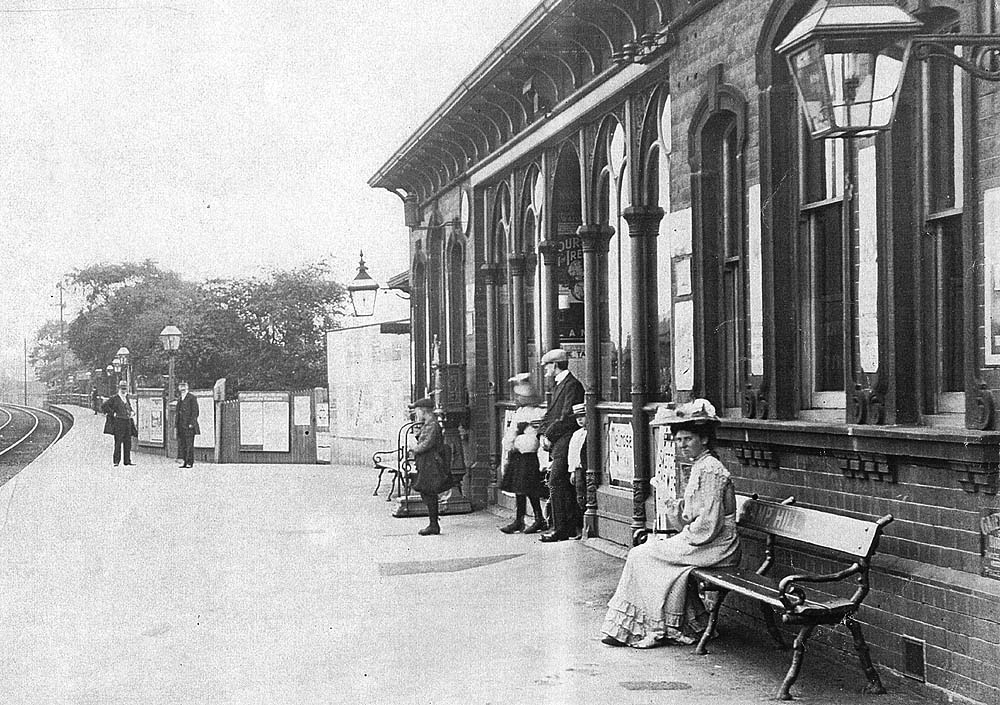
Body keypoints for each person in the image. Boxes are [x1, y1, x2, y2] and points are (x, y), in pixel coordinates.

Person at [600, 398, 740, 648]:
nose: (682, 445)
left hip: (717, 546)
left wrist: (683, 535)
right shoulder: (700, 466)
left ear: (704, 439)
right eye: (678, 440)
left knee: (641, 555)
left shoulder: (710, 469)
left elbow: (709, 525)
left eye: (688, 439)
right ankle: (662, 623)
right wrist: (676, 509)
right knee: (647, 555)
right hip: (705, 541)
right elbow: (696, 516)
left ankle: (648, 626)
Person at [536, 347, 585, 543]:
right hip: (558, 441)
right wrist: (542, 434)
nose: (545, 370)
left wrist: (548, 435)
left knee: (556, 481)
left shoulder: (572, 385)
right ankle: (565, 526)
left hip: (566, 440)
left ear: (555, 365)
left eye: (547, 366)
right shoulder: (559, 385)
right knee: (559, 483)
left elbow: (566, 417)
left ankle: (561, 529)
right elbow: (550, 414)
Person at [498, 373, 547, 534]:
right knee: (521, 488)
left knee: (528, 488)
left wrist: (510, 443)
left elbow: (516, 433)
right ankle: (520, 519)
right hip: (521, 453)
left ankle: (537, 518)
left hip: (527, 454)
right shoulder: (524, 412)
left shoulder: (533, 413)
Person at [408, 397, 452, 536]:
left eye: (417, 411)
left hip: (430, 462)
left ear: (423, 411)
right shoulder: (428, 424)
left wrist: (413, 448)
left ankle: (434, 524)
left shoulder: (432, 424)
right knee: (426, 491)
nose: (416, 414)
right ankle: (433, 523)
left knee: (429, 491)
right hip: (426, 461)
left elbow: (427, 444)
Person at [101, 380, 136, 467]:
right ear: (119, 388)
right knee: (118, 442)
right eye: (122, 388)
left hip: (127, 421)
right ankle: (116, 461)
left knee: (128, 442)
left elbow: (129, 407)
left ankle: (127, 461)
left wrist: (132, 412)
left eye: (125, 388)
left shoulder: (126, 397)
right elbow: (104, 406)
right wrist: (112, 413)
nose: (124, 390)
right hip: (119, 422)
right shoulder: (115, 398)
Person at [567, 402, 588, 539]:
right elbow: (572, 454)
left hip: (587, 470)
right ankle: (580, 528)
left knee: (588, 496)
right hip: (579, 470)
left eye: (582, 416)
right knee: (580, 497)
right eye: (577, 417)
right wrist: (572, 471)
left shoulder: (590, 433)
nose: (580, 419)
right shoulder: (576, 435)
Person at [175, 381, 200, 468]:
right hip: (181, 425)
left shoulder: (192, 398)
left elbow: (195, 411)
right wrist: (176, 424)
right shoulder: (180, 398)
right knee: (183, 444)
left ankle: (190, 462)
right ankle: (185, 461)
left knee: (189, 444)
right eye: (180, 387)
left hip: (189, 425)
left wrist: (191, 423)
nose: (182, 389)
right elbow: (177, 412)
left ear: (187, 388)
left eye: (184, 386)